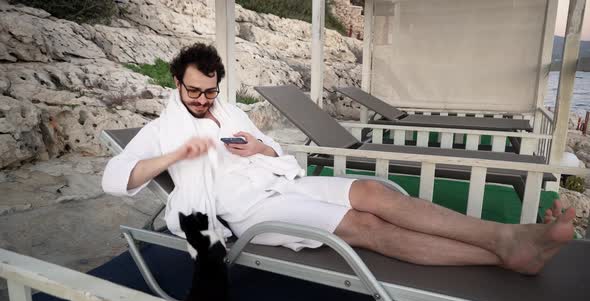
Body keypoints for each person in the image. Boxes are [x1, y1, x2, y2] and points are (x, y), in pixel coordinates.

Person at [102, 43, 576, 276]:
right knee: (364, 227)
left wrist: (262, 148)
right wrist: (175, 154)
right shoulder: (160, 130)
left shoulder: (231, 112)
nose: (203, 99)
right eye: (194, 91)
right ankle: (500, 256)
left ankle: (507, 236)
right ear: (176, 83)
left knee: (371, 192)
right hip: (249, 210)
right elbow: (115, 178)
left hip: (279, 183)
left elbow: (277, 153)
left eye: (210, 90)